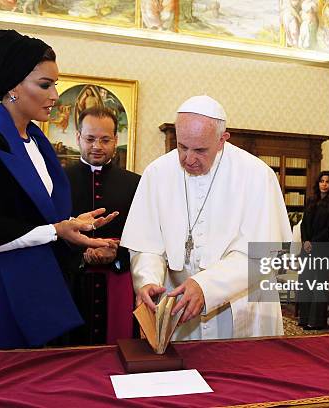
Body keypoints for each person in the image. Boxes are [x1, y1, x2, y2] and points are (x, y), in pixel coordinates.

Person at [0, 29, 118, 352]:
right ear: (13, 87)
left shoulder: (37, 142)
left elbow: (29, 214)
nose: (55, 95)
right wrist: (56, 230)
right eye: (45, 85)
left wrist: (70, 224)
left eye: (55, 83)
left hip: (32, 285)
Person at [120, 95, 292, 341]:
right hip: (178, 304)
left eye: (200, 150)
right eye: (182, 147)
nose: (189, 159)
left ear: (223, 139)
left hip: (240, 309)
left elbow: (262, 255)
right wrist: (146, 281)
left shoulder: (256, 176)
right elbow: (146, 245)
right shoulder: (157, 173)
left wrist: (207, 287)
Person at [60, 106, 141, 345]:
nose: (97, 146)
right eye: (90, 139)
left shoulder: (135, 183)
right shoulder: (58, 182)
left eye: (105, 139)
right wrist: (82, 254)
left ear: (116, 140)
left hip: (118, 282)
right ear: (78, 138)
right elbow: (48, 232)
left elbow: (144, 235)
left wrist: (117, 253)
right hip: (72, 284)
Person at [297, 170, 329, 330]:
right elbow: (303, 224)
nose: (324, 184)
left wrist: (313, 243)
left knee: (319, 285)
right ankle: (304, 318)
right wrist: (305, 241)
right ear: (318, 183)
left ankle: (316, 321)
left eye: (327, 181)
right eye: (321, 181)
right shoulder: (310, 200)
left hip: (324, 249)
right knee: (305, 282)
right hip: (308, 248)